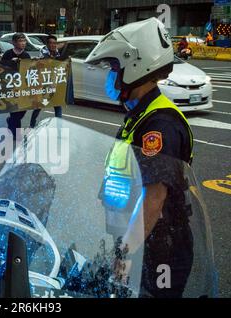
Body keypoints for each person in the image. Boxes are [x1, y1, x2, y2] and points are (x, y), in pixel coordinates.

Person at [88, 18, 195, 298]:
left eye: (114, 68)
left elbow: (154, 197)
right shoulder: (140, 114)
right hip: (139, 239)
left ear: (136, 65)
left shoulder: (160, 124)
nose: (110, 75)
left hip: (160, 247)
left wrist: (125, 252)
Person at [2, 33, 31, 139]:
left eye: (24, 41)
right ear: (14, 42)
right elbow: (1, 69)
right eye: (20, 41)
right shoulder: (7, 54)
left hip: (23, 88)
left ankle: (10, 122)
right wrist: (10, 63)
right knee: (15, 111)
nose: (23, 43)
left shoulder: (26, 55)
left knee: (22, 111)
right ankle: (16, 134)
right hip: (11, 88)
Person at [30, 35, 63, 128]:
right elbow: (45, 61)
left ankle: (59, 125)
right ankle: (32, 124)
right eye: (51, 43)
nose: (53, 45)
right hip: (44, 83)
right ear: (47, 44)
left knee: (57, 104)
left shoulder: (57, 52)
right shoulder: (43, 51)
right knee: (40, 105)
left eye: (55, 43)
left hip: (54, 82)